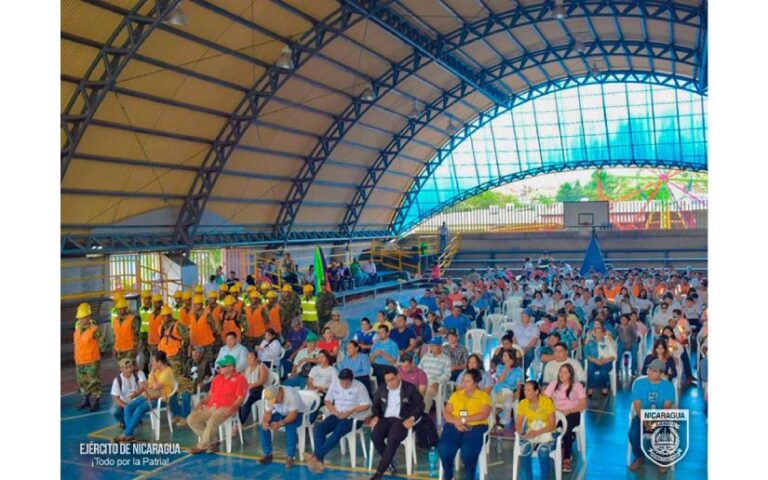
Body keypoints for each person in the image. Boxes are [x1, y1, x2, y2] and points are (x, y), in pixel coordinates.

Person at [306, 368, 372, 473]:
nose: (344, 385)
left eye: (347, 383)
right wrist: (335, 411)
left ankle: (316, 456)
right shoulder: (335, 383)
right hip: (337, 413)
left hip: (354, 416)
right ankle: (319, 462)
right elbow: (327, 400)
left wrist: (350, 412)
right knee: (319, 429)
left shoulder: (359, 386)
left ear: (352, 379)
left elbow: (366, 405)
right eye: (342, 382)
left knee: (338, 430)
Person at [369, 367, 425, 480]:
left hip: (402, 419)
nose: (390, 383)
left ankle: (379, 472)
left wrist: (412, 418)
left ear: (398, 376)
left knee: (392, 439)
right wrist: (375, 416)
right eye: (387, 381)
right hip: (386, 419)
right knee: (375, 436)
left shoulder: (409, 388)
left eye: (392, 379)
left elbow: (420, 406)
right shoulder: (382, 388)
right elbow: (375, 406)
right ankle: (389, 462)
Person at [438, 368, 492, 480]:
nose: (464, 383)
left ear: (475, 383)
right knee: (444, 449)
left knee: (468, 452)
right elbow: (446, 412)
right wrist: (456, 422)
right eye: (463, 380)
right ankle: (448, 474)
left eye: (468, 381)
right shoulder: (456, 395)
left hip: (475, 427)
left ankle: (469, 477)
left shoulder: (483, 396)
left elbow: (484, 414)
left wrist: (464, 420)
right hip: (454, 425)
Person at [187, 354, 248, 453]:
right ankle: (213, 441)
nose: (220, 368)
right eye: (219, 366)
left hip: (226, 408)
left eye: (223, 366)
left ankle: (202, 445)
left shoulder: (240, 379)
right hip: (211, 407)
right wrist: (202, 402)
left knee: (212, 421)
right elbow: (210, 395)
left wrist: (231, 408)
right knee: (191, 419)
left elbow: (240, 399)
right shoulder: (217, 378)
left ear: (231, 367)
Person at [114, 351, 176, 443]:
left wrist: (152, 372)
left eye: (153, 361)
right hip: (150, 395)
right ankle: (129, 434)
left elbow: (155, 386)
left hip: (161, 398)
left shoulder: (167, 372)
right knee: (128, 407)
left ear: (159, 362)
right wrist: (142, 389)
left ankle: (126, 434)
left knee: (140, 408)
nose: (152, 363)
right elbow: (149, 384)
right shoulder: (157, 370)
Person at [628, 359, 676, 473]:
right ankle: (639, 457)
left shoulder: (668, 386)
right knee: (633, 433)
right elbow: (637, 405)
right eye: (649, 369)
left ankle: (662, 459)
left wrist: (656, 421)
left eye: (654, 371)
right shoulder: (639, 384)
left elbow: (666, 407)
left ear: (661, 374)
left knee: (664, 432)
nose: (649, 372)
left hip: (661, 416)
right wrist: (644, 421)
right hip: (642, 414)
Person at [544, 364, 587, 473]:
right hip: (557, 412)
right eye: (560, 372)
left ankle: (566, 458)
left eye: (565, 372)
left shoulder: (577, 386)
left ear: (570, 375)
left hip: (572, 412)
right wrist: (554, 409)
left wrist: (569, 411)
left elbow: (583, 404)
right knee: (550, 425)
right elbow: (544, 400)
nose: (561, 375)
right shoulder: (554, 384)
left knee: (566, 428)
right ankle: (552, 449)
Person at [515, 380, 557, 480]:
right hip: (531, 434)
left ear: (536, 391)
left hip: (547, 434)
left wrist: (537, 432)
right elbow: (518, 424)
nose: (525, 392)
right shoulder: (523, 403)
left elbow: (552, 425)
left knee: (543, 452)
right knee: (525, 450)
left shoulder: (546, 401)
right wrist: (523, 433)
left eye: (528, 390)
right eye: (525, 390)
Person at [258, 385, 308, 467]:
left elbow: (292, 415)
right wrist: (265, 422)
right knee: (262, 426)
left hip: (298, 414)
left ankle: (291, 457)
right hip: (281, 413)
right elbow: (267, 413)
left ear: (279, 393)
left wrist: (280, 424)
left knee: (290, 427)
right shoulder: (270, 396)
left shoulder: (291, 395)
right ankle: (268, 454)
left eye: (275, 400)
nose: (274, 403)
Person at [73, 303, 106, 411]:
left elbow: (102, 343)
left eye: (84, 317)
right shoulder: (77, 330)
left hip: (92, 361)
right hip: (80, 361)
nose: (82, 320)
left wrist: (99, 353)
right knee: (82, 382)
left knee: (94, 381)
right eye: (80, 318)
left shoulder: (94, 329)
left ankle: (96, 401)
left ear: (88, 317)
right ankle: (86, 400)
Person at [491, 349, 523, 433]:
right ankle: (492, 423)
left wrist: (518, 392)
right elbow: (500, 380)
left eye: (505, 356)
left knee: (508, 404)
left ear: (511, 358)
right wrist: (506, 369)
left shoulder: (518, 370)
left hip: (509, 391)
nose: (503, 357)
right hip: (498, 390)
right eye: (503, 355)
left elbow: (518, 383)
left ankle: (503, 422)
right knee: (490, 402)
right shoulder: (500, 367)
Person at [110, 359, 147, 428]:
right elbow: (115, 398)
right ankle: (124, 420)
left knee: (143, 404)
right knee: (114, 410)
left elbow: (143, 387)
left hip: (137, 402)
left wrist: (136, 393)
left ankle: (135, 418)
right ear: (121, 369)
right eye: (126, 368)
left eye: (130, 367)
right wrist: (126, 407)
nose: (129, 370)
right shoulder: (117, 380)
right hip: (124, 403)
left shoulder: (138, 373)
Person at [418, 338, 452, 413]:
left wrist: (438, 382)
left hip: (434, 384)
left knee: (429, 391)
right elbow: (419, 370)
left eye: (434, 345)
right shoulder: (425, 356)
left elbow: (447, 374)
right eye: (431, 345)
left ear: (440, 347)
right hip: (422, 382)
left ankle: (424, 414)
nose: (432, 347)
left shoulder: (446, 359)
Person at [584, 324, 617, 396]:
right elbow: (586, 354)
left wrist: (605, 360)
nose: (598, 334)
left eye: (600, 332)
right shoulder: (590, 342)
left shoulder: (608, 341)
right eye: (597, 332)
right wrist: (595, 360)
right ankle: (590, 388)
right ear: (594, 333)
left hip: (607, 361)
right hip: (594, 361)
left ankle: (604, 387)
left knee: (603, 371)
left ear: (603, 333)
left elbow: (614, 355)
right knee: (590, 369)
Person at [239, 351, 269, 424]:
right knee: (238, 398)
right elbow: (244, 380)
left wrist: (250, 386)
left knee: (248, 399)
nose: (248, 360)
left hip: (259, 391)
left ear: (256, 359)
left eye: (251, 358)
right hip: (249, 390)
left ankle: (240, 422)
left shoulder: (261, 367)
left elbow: (262, 381)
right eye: (248, 358)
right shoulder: (247, 368)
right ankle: (237, 420)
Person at [112, 298, 141, 363]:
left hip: (129, 349)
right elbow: (114, 336)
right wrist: (114, 348)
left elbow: (137, 334)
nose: (122, 310)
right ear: (117, 310)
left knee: (131, 367)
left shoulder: (132, 319)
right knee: (122, 367)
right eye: (120, 309)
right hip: (119, 350)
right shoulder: (115, 321)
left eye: (123, 308)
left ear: (126, 308)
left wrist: (136, 347)